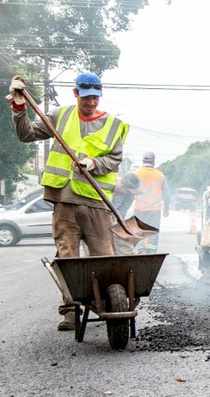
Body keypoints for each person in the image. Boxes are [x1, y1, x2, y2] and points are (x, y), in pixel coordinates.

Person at [8, 72, 129, 330]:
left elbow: (115, 159)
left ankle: (109, 302)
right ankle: (71, 312)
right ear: (75, 94)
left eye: (95, 97)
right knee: (67, 258)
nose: (91, 102)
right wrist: (19, 106)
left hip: (97, 204)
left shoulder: (113, 125)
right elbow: (25, 134)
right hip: (64, 201)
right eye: (86, 97)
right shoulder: (59, 116)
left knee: (104, 258)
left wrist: (93, 163)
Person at [133, 152, 170, 254]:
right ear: (154, 161)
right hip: (154, 210)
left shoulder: (136, 174)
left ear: (143, 161)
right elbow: (166, 195)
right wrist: (166, 210)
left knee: (138, 232)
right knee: (153, 233)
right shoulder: (160, 175)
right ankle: (151, 255)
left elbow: (130, 191)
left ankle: (138, 252)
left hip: (139, 210)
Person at [112, 173, 142, 255]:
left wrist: (116, 224)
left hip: (112, 220)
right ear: (122, 185)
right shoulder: (108, 186)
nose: (131, 194)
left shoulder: (130, 196)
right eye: (129, 191)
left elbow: (121, 212)